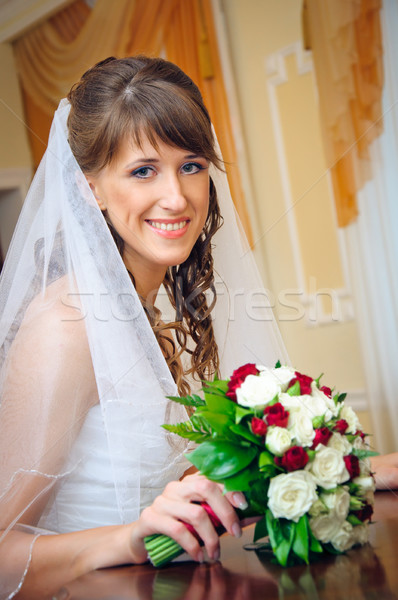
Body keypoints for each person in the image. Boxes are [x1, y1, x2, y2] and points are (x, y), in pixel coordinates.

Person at [0, 56, 288, 599]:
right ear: (90, 191)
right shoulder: (67, 329)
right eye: (142, 170)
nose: (177, 198)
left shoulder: (142, 310)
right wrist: (131, 539)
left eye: (192, 165)